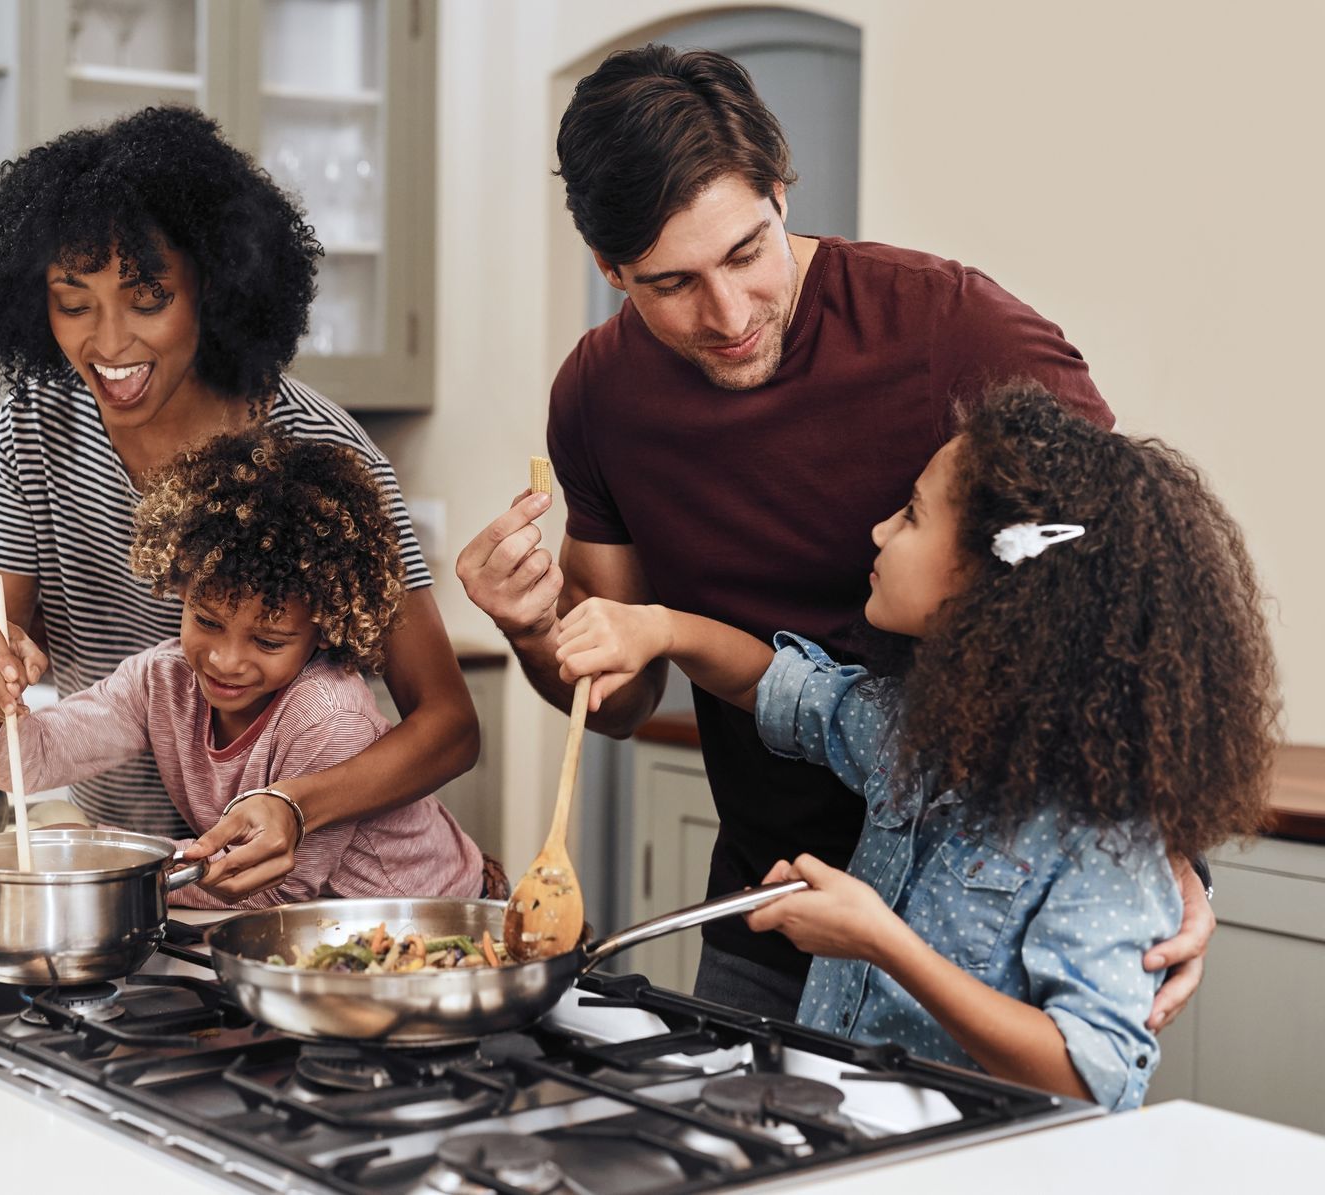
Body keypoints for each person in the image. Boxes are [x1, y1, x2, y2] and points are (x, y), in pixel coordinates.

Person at [456, 44, 1214, 1025]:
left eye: (745, 252)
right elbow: (624, 695)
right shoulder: (598, 397)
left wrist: (1163, 844)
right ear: (610, 269)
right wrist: (532, 627)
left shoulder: (956, 330)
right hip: (776, 914)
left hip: (999, 931)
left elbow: (1128, 579)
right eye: (671, 283)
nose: (727, 315)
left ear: (782, 190)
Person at [551, 385, 1277, 1109]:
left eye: (911, 515)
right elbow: (778, 683)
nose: (877, 531)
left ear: (990, 582)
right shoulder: (910, 732)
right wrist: (662, 629)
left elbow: (1092, 1075)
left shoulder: (1104, 831)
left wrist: (882, 939)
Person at [0, 106, 479, 901]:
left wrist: (294, 804)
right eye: (73, 301)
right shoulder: (31, 430)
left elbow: (449, 726)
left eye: (147, 297)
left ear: (213, 288)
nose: (108, 342)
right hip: (138, 879)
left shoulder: (324, 455)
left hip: (303, 896)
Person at [0, 430, 493, 907]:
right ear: (180, 590)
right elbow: (33, 759)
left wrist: (106, 861)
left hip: (431, 915)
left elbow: (272, 889)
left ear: (324, 627)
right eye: (207, 621)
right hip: (316, 927)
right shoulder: (161, 681)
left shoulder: (328, 717)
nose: (226, 660)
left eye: (268, 640)